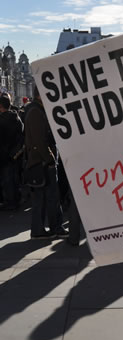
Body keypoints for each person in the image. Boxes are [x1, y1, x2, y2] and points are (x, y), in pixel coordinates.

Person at [24, 84, 68, 239]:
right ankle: (54, 228)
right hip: (42, 161)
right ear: (39, 95)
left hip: (40, 160)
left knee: (43, 198)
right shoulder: (36, 112)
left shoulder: (36, 110)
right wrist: (49, 159)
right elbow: (39, 140)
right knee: (51, 197)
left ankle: (41, 230)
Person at [0, 93, 24, 210]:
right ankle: (15, 200)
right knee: (14, 178)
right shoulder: (17, 117)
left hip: (4, 154)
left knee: (7, 180)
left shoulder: (2, 120)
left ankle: (10, 202)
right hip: (15, 153)